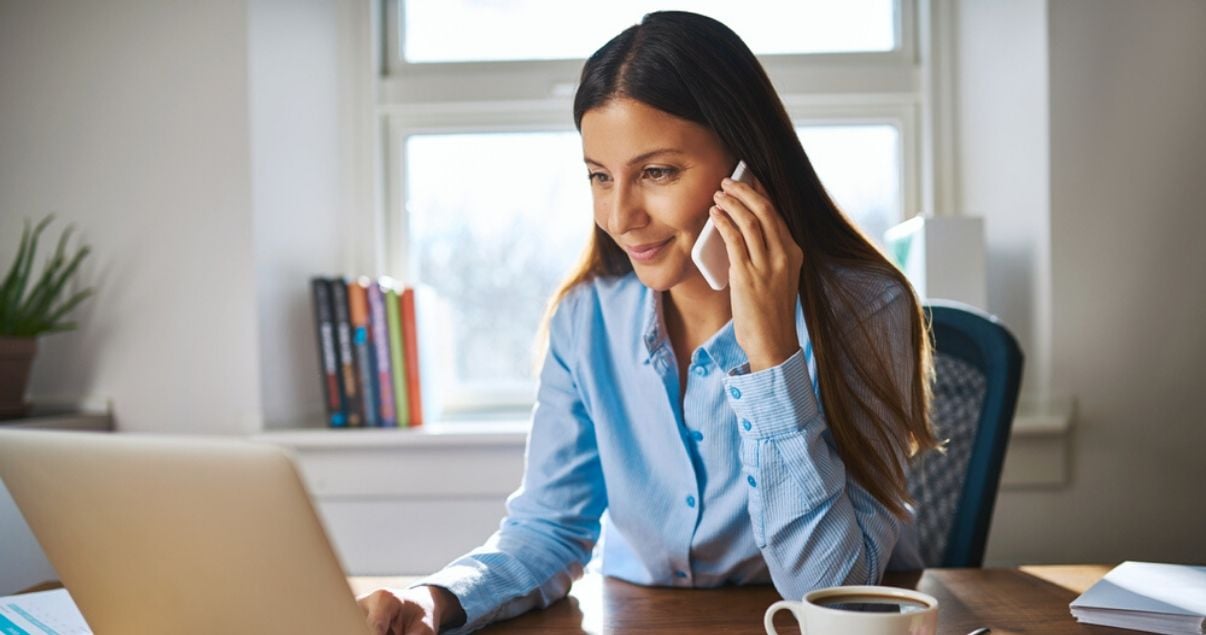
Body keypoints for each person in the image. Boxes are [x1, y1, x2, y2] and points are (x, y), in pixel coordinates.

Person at [358, 10, 939, 634]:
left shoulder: (865, 308)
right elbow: (549, 529)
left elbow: (832, 591)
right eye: (600, 177)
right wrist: (436, 599)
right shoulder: (587, 319)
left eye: (657, 173)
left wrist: (772, 354)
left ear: (748, 165)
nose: (620, 214)